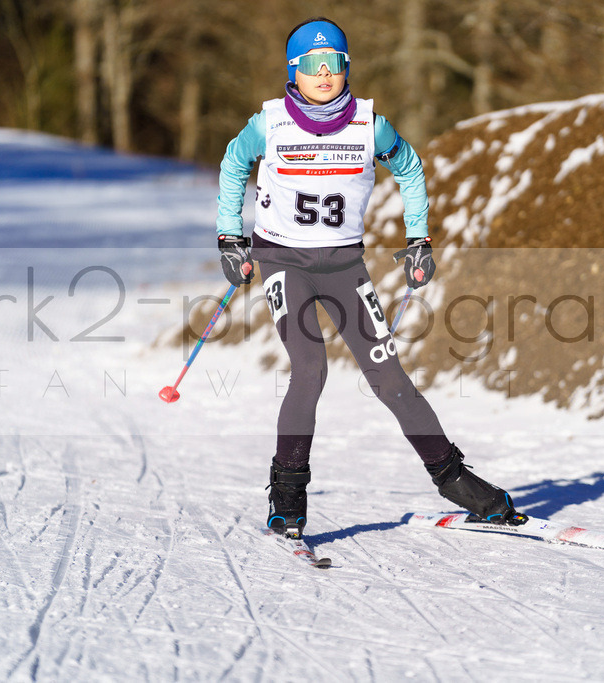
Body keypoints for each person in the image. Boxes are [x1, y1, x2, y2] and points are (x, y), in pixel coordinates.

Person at [215, 17, 527, 539]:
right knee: (310, 368)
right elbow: (233, 163)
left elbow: (409, 168)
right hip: (283, 260)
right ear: (293, 71)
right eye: (312, 65)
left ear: (345, 69)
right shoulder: (269, 124)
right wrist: (230, 236)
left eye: (333, 63)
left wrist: (419, 239)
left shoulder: (368, 124)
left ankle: (454, 481)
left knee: (389, 376)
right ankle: (288, 494)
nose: (324, 74)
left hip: (343, 265)